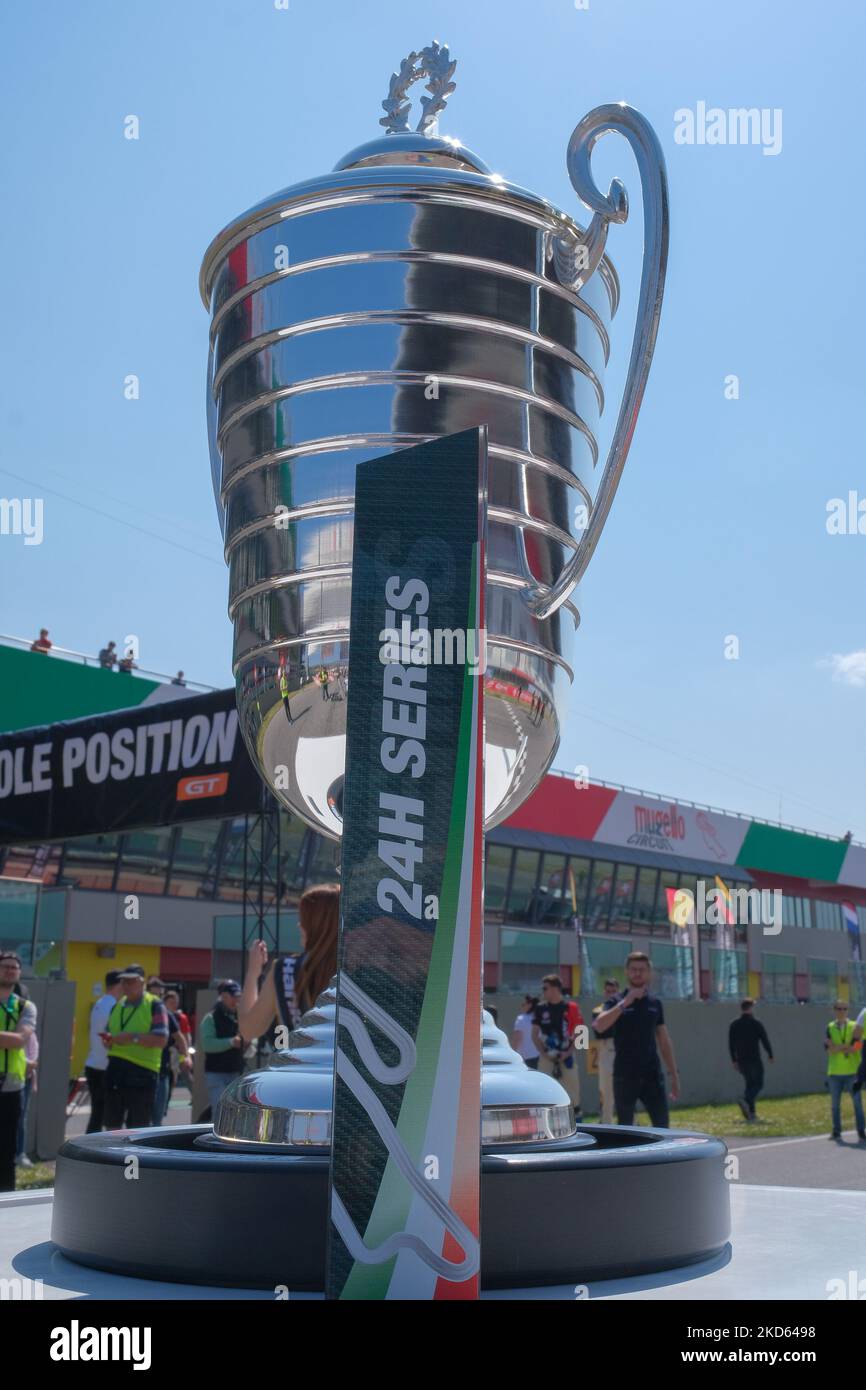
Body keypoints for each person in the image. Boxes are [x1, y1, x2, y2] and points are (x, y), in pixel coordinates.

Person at [240, 883, 340, 1043]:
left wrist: (253, 973)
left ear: (314, 924)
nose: (299, 925)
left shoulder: (286, 970)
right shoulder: (359, 969)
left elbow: (248, 1029)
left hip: (305, 1066)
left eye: (303, 919)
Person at [593, 951, 680, 1127]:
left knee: (663, 1126)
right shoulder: (616, 1001)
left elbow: (664, 1040)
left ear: (649, 973)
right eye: (633, 969)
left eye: (642, 969)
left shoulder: (655, 1004)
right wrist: (626, 1002)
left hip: (652, 1075)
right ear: (626, 972)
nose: (637, 973)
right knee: (626, 1128)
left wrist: (674, 1074)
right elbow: (599, 1025)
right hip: (625, 1075)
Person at [102, 965, 168, 1129]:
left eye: (131, 981)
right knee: (112, 1123)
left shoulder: (154, 1004)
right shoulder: (117, 1006)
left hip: (143, 1071)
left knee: (138, 1126)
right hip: (116, 1068)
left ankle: (133, 1156)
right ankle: (112, 1154)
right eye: (124, 981)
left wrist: (133, 1038)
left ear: (141, 982)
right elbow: (109, 1033)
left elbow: (161, 1040)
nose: (126, 985)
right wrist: (109, 1041)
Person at [0, 953, 37, 1191]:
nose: (10, 970)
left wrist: (12, 1039)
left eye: (15, 967)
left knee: (6, 1149)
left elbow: (20, 1040)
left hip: (11, 1085)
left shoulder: (25, 1006)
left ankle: (5, 1200)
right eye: (5, 967)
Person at [531, 976, 584, 1121]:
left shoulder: (571, 1007)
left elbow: (581, 1033)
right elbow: (534, 1034)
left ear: (555, 988)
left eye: (545, 988)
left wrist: (568, 1053)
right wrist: (544, 1053)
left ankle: (577, 1124)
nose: (543, 992)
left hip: (567, 1057)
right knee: (543, 1091)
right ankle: (544, 1122)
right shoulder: (541, 1008)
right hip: (547, 1057)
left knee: (573, 1093)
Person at [146, 978, 192, 1124]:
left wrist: (186, 1056)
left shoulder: (167, 1014)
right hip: (141, 1070)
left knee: (157, 1116)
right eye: (154, 991)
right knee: (140, 1118)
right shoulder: (139, 1009)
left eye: (159, 993)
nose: (157, 996)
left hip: (162, 1069)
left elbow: (180, 1037)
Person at [84, 969, 124, 1132]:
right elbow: (112, 1036)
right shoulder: (114, 1006)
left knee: (97, 1113)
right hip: (107, 1066)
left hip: (94, 1063)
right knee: (109, 1115)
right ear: (119, 984)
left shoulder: (99, 1004)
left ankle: (88, 1149)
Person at [201, 981, 246, 1117]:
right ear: (223, 996)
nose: (235, 1000)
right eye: (232, 996)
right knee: (220, 1111)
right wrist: (231, 1042)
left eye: (238, 996)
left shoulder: (242, 1017)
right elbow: (207, 1045)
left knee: (235, 1114)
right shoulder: (210, 1018)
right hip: (216, 1074)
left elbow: (252, 1040)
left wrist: (249, 1044)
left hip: (236, 1072)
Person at [824, 999, 865, 1141]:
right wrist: (845, 1047)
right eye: (839, 1009)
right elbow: (829, 1051)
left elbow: (857, 1047)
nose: (842, 1011)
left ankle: (861, 1132)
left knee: (857, 1104)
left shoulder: (855, 1025)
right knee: (835, 1105)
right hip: (834, 1072)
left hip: (852, 1071)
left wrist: (838, 1047)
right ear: (834, 1010)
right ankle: (836, 1131)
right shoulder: (830, 1027)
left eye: (844, 1009)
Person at [729, 997, 774, 1122]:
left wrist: (733, 1060)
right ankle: (746, 1100)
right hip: (754, 1059)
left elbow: (730, 1044)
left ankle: (751, 1114)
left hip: (742, 1060)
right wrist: (770, 1054)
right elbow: (764, 1039)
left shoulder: (734, 1024)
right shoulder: (755, 1023)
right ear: (750, 1008)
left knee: (749, 1085)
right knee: (758, 1084)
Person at [595, 978, 619, 1124]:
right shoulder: (599, 1010)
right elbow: (600, 1032)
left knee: (626, 1092)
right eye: (608, 991)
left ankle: (632, 1124)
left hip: (623, 1051)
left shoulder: (625, 1008)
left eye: (614, 992)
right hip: (607, 1050)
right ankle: (606, 1123)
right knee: (606, 1093)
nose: (611, 995)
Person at [15, 1025, 39, 1167]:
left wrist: (26, 1064)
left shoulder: (29, 1034)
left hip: (24, 1079)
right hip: (7, 1078)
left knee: (20, 1117)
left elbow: (33, 1061)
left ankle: (19, 1154)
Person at [510, 994, 540, 1069]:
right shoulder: (539, 1019)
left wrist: (511, 1054)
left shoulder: (521, 1019)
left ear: (530, 1005)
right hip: (537, 1056)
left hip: (523, 1057)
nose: (522, 1006)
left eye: (524, 1004)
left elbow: (517, 1039)